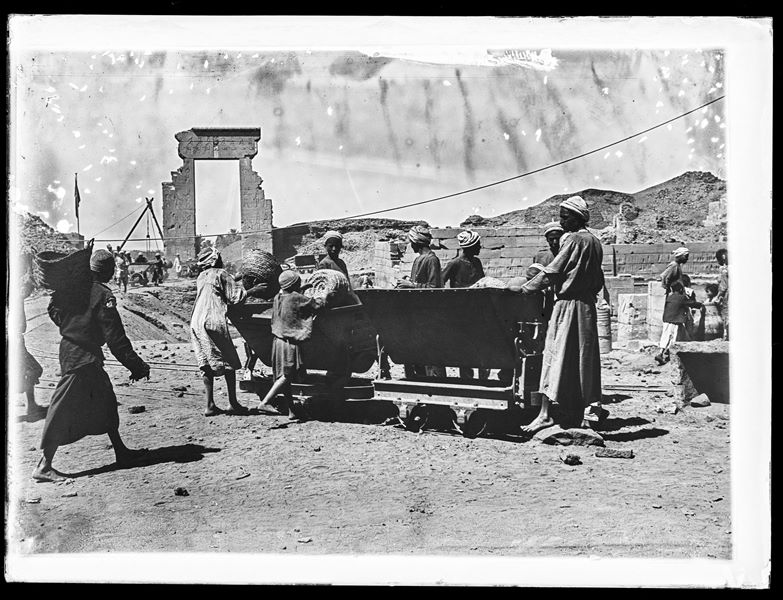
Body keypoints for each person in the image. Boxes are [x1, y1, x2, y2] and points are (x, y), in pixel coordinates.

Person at [32, 250, 150, 482]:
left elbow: (53, 310)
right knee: (62, 407)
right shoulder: (102, 295)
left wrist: (71, 327)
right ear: (107, 271)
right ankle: (44, 465)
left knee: (105, 400)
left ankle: (121, 451)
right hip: (82, 358)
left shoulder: (72, 290)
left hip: (73, 351)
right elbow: (116, 338)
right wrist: (136, 365)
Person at [517, 196, 606, 434]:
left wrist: (525, 289)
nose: (561, 221)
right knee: (582, 359)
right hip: (586, 307)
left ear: (577, 217)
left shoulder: (575, 239)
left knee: (554, 357)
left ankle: (545, 415)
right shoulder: (595, 242)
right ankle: (582, 414)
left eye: (565, 217)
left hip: (567, 305)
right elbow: (599, 280)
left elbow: (553, 273)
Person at [190, 247, 250, 416]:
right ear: (216, 260)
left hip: (196, 320)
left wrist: (233, 279)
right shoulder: (221, 273)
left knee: (206, 362)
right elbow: (235, 297)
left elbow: (216, 288)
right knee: (228, 360)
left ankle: (209, 405)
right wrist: (252, 290)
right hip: (212, 319)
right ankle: (232, 403)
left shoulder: (202, 276)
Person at [257, 270, 325, 416]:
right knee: (288, 374)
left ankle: (291, 410)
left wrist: (300, 290)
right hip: (289, 343)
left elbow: (291, 301)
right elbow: (316, 305)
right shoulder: (297, 298)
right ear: (294, 285)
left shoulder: (278, 297)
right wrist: (323, 297)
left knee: (283, 375)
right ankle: (266, 402)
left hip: (277, 341)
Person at [395, 226, 445, 378]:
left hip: (428, 315)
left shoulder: (431, 260)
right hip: (416, 314)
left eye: (411, 242)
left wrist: (412, 285)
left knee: (430, 355)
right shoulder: (418, 259)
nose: (410, 245)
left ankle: (436, 392)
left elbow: (434, 288)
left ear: (417, 242)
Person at [441, 230, 488, 380]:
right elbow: (440, 281)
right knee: (464, 347)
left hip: (477, 311)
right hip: (460, 313)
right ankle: (466, 380)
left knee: (480, 345)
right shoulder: (454, 264)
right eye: (477, 245)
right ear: (470, 247)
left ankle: (482, 381)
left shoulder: (477, 262)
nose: (480, 247)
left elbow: (482, 281)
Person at [14, 265, 47, 417]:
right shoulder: (16, 298)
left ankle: (31, 405)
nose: (29, 293)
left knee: (27, 371)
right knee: (34, 370)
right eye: (28, 290)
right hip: (15, 341)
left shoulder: (16, 296)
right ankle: (28, 403)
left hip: (17, 340)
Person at [654, 280, 703, 365]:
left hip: (667, 319)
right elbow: (691, 303)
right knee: (674, 338)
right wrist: (701, 305)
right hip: (676, 320)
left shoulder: (670, 297)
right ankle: (669, 355)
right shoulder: (681, 297)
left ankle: (661, 353)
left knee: (666, 336)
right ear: (681, 289)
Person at [714, 248, 729, 340]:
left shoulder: (724, 270)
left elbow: (723, 287)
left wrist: (718, 296)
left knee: (726, 314)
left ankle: (726, 335)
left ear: (723, 257)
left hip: (728, 295)